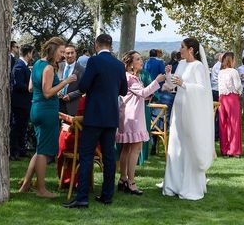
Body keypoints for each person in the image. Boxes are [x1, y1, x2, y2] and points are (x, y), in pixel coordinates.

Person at [63, 34, 127, 208]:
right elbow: (124, 90)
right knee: (108, 157)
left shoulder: (94, 62)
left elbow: (83, 86)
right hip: (111, 116)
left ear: (97, 45)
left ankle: (82, 197)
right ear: (111, 46)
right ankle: (107, 195)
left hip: (94, 116)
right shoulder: (119, 65)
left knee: (86, 156)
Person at [19, 37, 77, 198]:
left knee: (39, 150)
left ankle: (25, 185)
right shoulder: (49, 68)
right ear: (53, 49)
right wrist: (65, 82)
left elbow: (31, 88)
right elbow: (47, 92)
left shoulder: (37, 64)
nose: (63, 56)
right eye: (61, 52)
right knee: (44, 152)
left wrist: (53, 89)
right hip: (47, 111)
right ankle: (41, 189)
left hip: (36, 109)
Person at [161, 37, 215, 200]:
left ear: (191, 49)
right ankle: (173, 183)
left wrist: (184, 84)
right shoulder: (182, 64)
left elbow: (202, 89)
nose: (180, 50)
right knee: (176, 144)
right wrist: (169, 75)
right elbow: (172, 86)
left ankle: (189, 185)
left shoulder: (198, 66)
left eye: (182, 47)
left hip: (192, 110)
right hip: (178, 107)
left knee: (189, 145)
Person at [115, 50, 164, 195]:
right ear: (130, 64)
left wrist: (145, 96)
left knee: (126, 149)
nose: (141, 61)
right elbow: (142, 92)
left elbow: (139, 94)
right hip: (134, 117)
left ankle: (123, 179)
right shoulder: (131, 78)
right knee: (135, 149)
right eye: (137, 59)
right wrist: (157, 81)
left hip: (127, 115)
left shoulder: (129, 77)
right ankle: (131, 182)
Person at [10, 44, 34, 160]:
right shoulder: (19, 66)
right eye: (32, 53)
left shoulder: (23, 65)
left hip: (24, 103)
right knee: (17, 127)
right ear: (28, 53)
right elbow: (18, 85)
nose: (32, 55)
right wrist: (31, 88)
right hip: (19, 103)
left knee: (23, 127)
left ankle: (21, 149)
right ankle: (14, 151)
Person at [218, 52, 243, 157]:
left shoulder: (221, 72)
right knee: (234, 123)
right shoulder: (234, 71)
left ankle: (224, 148)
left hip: (222, 98)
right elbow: (237, 86)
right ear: (231, 60)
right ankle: (234, 150)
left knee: (223, 123)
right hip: (232, 98)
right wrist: (241, 92)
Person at [58, 45, 86, 116]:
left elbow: (83, 88)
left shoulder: (82, 70)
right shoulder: (58, 66)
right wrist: (57, 91)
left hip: (72, 105)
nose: (70, 55)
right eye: (67, 53)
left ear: (75, 53)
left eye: (72, 53)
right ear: (64, 54)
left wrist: (70, 96)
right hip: (57, 104)